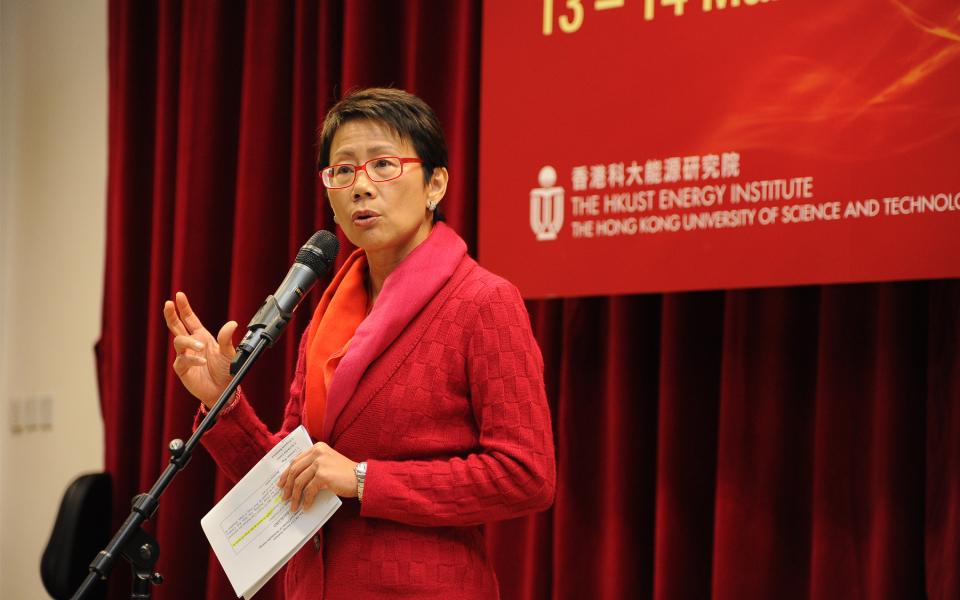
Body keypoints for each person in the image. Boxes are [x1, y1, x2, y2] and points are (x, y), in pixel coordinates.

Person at [162, 87, 556, 600]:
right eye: (342, 170)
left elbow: (525, 475)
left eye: (383, 165)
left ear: (436, 183)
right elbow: (293, 479)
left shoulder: (482, 302)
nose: (360, 187)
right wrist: (221, 401)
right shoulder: (326, 311)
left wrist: (365, 480)